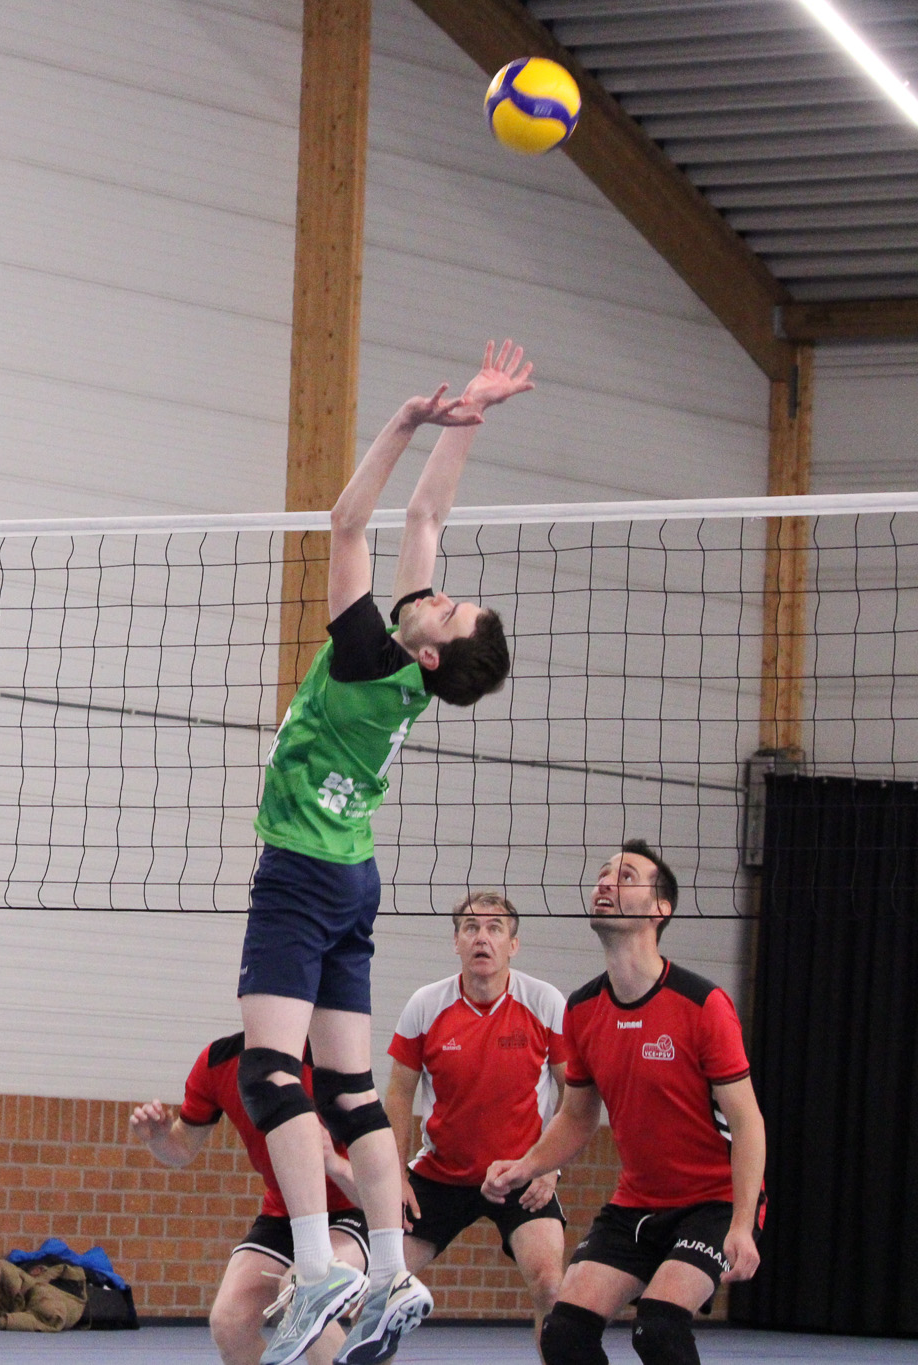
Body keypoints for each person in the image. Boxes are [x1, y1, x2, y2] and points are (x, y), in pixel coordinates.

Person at [239, 341, 530, 1365]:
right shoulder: (412, 653)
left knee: (267, 1073)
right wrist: (468, 421)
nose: (441, 593)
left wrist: (403, 424)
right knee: (351, 1090)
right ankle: (393, 1268)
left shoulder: (371, 653)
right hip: (352, 875)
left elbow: (349, 522)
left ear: (431, 648)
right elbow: (425, 519)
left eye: (449, 607)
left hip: (300, 868)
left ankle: (320, 1265)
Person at [485, 842, 767, 1365]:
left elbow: (748, 1123)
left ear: (660, 909)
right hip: (636, 1204)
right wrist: (526, 1166)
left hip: (713, 1203)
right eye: (603, 874)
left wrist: (742, 1224)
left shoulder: (703, 1004)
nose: (606, 883)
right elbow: (577, 1117)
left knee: (657, 1328)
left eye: (627, 876)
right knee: (563, 1333)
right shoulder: (582, 1009)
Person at [385, 891, 568, 1342]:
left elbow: (574, 1093)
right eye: (470, 928)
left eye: (494, 928)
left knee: (550, 1286)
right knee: (383, 1287)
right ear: (456, 942)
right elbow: (399, 1095)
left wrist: (549, 1167)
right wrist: (396, 1177)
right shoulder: (426, 1005)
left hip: (521, 1174)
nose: (481, 938)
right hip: (440, 1175)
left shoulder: (544, 1002)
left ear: (513, 945)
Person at [130, 1034, 367, 1365]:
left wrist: (334, 1164)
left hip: (351, 1209)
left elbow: (380, 1179)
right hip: (284, 1213)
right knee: (230, 1324)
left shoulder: (330, 1059)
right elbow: (182, 1147)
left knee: (303, 1289)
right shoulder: (217, 1061)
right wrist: (158, 1138)